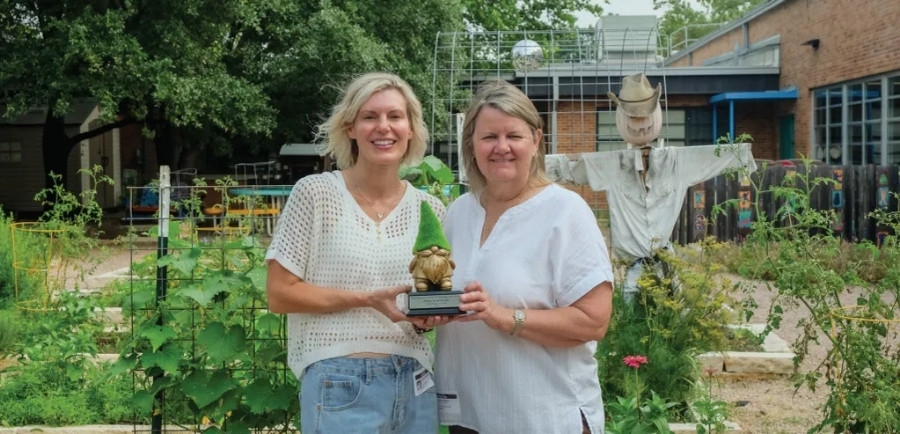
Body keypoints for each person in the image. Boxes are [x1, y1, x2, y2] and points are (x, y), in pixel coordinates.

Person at [266, 72, 450, 434]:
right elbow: (279, 293)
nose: (384, 127)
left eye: (395, 116)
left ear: (411, 128)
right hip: (339, 380)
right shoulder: (316, 194)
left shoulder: (431, 209)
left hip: (415, 379)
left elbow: (426, 297)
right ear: (350, 127)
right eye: (370, 116)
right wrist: (366, 299)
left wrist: (429, 316)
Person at [434, 80, 615, 434]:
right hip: (471, 415)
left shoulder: (564, 211)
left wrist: (505, 317)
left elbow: (594, 322)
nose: (501, 147)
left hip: (543, 415)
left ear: (536, 140)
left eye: (513, 136)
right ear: (472, 144)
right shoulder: (459, 212)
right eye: (489, 137)